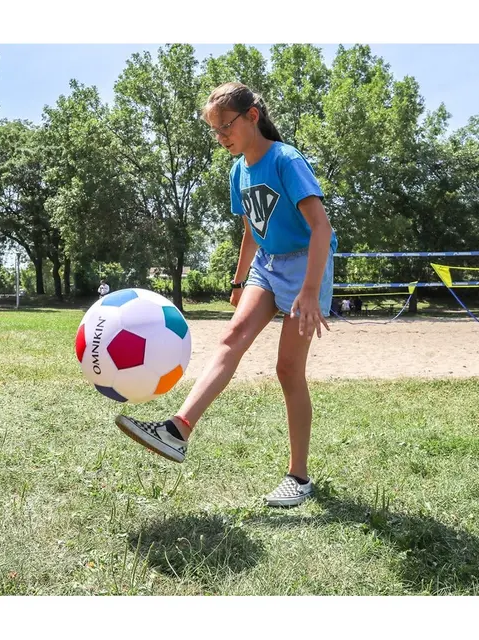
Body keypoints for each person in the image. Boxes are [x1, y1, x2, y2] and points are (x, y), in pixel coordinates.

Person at [115, 82, 338, 508]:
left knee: (288, 369)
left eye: (225, 127)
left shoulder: (286, 160)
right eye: (215, 131)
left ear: (252, 117)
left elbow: (321, 228)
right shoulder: (239, 171)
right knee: (231, 338)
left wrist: (309, 291)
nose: (221, 138)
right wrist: (239, 282)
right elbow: (250, 230)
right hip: (268, 264)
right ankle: (177, 430)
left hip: (305, 263)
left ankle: (299, 477)